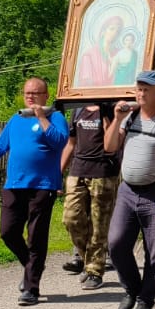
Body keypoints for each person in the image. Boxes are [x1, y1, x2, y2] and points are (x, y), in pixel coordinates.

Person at [0, 77, 69, 306]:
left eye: (35, 93)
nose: (30, 97)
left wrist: (42, 118)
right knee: (8, 231)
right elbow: (0, 145)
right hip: (15, 184)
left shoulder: (56, 117)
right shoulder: (17, 119)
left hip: (43, 185)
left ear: (45, 95)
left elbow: (60, 142)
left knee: (36, 236)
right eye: (27, 93)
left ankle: (31, 288)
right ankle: (32, 266)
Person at [104, 70, 155, 309]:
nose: (141, 93)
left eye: (146, 89)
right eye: (138, 89)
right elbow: (109, 147)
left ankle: (146, 299)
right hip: (127, 191)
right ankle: (132, 289)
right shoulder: (129, 117)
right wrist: (117, 119)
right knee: (116, 243)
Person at [59, 98, 120, 291]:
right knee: (71, 219)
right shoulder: (77, 110)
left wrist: (106, 115)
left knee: (99, 226)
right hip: (77, 170)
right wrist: (57, 173)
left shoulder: (111, 108)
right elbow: (71, 143)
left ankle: (95, 271)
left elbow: (113, 143)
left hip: (103, 172)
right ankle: (89, 260)